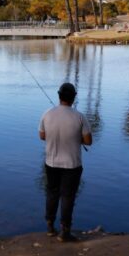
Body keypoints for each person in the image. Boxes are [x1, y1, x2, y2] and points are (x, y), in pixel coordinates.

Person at [38, 82, 92, 242]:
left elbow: (42, 136)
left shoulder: (47, 114)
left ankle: (49, 227)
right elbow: (88, 141)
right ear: (73, 97)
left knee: (52, 193)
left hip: (51, 163)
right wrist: (76, 138)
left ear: (59, 96)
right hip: (72, 165)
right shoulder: (80, 116)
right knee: (68, 197)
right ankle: (65, 232)